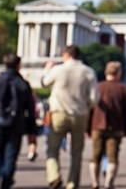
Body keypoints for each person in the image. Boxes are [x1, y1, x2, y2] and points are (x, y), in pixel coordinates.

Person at [41, 45, 98, 189]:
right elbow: (94, 98)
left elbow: (44, 83)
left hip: (59, 112)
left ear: (65, 54)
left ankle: (54, 175)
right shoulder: (88, 71)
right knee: (76, 152)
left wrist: (47, 68)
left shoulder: (58, 69)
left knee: (52, 148)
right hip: (79, 114)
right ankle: (72, 184)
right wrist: (85, 106)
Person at [0, 54, 38, 189]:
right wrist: (32, 130)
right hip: (15, 125)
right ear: (18, 66)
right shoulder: (22, 83)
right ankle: (6, 181)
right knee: (10, 157)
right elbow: (30, 109)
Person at [88, 61, 126, 189]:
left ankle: (95, 182)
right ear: (118, 74)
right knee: (113, 157)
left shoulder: (97, 87)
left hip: (97, 125)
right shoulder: (123, 89)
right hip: (116, 127)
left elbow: (90, 108)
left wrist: (87, 127)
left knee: (95, 156)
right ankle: (108, 183)